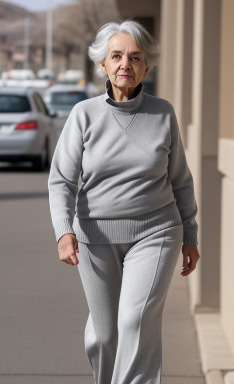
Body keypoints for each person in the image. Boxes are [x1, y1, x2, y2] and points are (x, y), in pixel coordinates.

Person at [48, 20, 200, 384]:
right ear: (102, 64)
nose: (124, 65)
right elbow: (62, 180)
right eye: (116, 56)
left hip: (157, 231)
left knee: (135, 320)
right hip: (95, 235)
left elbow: (180, 179)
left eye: (135, 57)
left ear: (146, 67)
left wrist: (190, 235)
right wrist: (63, 231)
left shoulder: (162, 113)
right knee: (105, 335)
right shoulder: (84, 115)